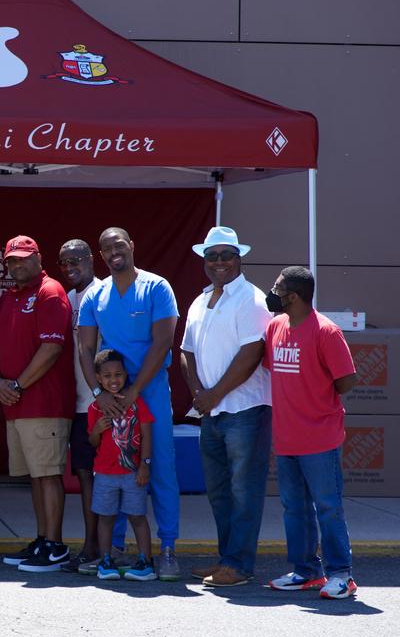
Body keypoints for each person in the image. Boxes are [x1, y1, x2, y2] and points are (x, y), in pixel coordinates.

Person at [77, 227, 182, 580]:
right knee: (115, 469)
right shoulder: (96, 295)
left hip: (149, 392)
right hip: (112, 394)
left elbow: (163, 341)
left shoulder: (157, 287)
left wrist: (136, 389)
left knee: (160, 469)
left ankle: (167, 549)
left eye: (118, 245)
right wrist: (99, 393)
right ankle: (117, 550)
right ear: (101, 255)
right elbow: (85, 347)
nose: (113, 252)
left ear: (132, 245)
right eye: (106, 248)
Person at [179, 227, 272, 588]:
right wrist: (199, 393)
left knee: (244, 491)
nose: (219, 262)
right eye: (212, 255)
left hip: (244, 410)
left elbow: (252, 352)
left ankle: (239, 565)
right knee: (219, 492)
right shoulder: (200, 301)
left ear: (239, 258)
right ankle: (227, 560)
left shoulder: (251, 299)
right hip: (211, 413)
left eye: (226, 255)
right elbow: (186, 352)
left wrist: (214, 394)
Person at [263, 267, 358, 599]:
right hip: (286, 437)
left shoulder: (326, 331)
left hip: (320, 438)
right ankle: (306, 571)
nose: (272, 293)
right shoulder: (275, 326)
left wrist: (318, 397)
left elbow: (347, 380)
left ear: (294, 296)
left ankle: (341, 575)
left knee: (327, 507)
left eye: (278, 288)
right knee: (294, 508)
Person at [0, 236, 74, 573]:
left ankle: (55, 546)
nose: (17, 264)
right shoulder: (9, 297)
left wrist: (17, 385)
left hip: (44, 403)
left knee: (49, 475)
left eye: (23, 258)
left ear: (38, 258)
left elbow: (51, 349)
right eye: (12, 260)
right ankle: (42, 539)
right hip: (16, 403)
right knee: (36, 478)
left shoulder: (50, 292)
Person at [88, 350, 157, 582]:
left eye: (118, 374)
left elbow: (147, 434)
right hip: (105, 474)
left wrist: (145, 465)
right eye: (107, 376)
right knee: (105, 518)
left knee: (137, 517)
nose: (113, 380)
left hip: (132, 473)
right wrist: (97, 430)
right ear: (98, 379)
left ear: (126, 375)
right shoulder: (95, 408)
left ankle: (145, 562)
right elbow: (92, 442)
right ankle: (105, 560)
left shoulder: (136, 402)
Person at [58, 239, 102, 572]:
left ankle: (101, 548)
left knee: (106, 478)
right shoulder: (67, 298)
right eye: (64, 262)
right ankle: (92, 547)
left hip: (99, 402)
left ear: (90, 259)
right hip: (74, 403)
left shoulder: (103, 294)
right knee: (85, 475)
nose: (70, 267)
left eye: (76, 260)